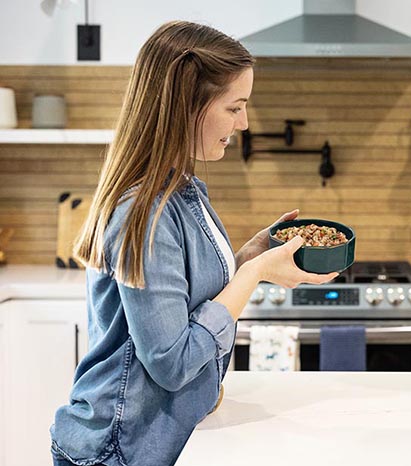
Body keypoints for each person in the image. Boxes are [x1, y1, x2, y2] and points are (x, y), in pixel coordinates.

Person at [50, 20, 337, 466]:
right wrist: (254, 273)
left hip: (156, 439)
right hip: (118, 449)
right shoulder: (142, 213)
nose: (243, 122)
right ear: (187, 106)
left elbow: (185, 298)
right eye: (234, 107)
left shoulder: (181, 190)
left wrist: (251, 254)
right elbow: (172, 361)